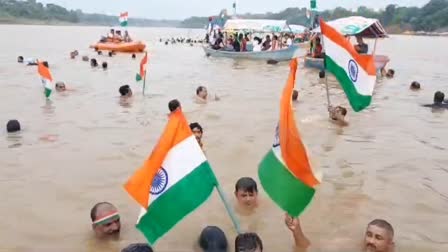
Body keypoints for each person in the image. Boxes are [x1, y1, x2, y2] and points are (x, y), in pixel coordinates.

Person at [285, 214, 395, 252]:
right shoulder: (352, 245)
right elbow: (309, 248)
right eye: (369, 235)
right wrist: (296, 230)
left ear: (389, 244)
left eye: (378, 238)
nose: (371, 241)